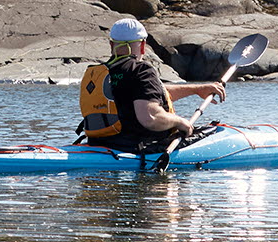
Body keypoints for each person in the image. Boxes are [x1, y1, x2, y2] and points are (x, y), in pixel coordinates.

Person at [78, 17, 227, 155]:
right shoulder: (140, 70)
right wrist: (182, 122)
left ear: (112, 45)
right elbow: (150, 117)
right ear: (143, 45)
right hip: (138, 147)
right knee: (212, 131)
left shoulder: (102, 72)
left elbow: (149, 94)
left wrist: (197, 89)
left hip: (100, 144)